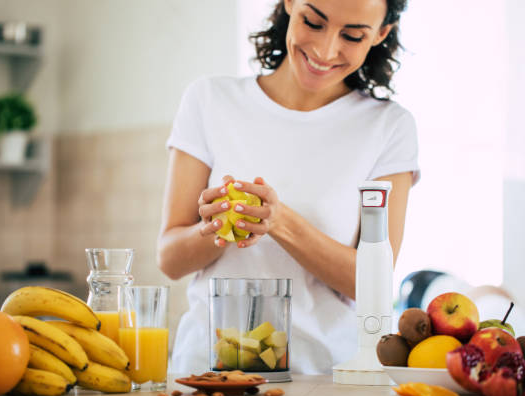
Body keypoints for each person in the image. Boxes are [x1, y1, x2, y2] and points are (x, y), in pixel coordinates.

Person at [157, 0, 418, 374]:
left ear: (380, 34)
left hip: (324, 378)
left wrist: (278, 223)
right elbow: (168, 260)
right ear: (290, 4)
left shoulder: (389, 127)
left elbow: (373, 285)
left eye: (353, 35)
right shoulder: (209, 100)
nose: (326, 50)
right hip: (205, 373)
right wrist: (217, 225)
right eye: (313, 22)